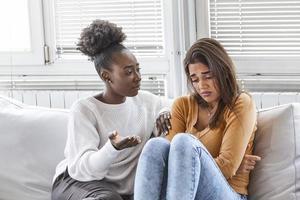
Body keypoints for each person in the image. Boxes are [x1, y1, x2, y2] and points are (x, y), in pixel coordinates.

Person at [51, 20, 172, 200]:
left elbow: (173, 105)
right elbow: (82, 170)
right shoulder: (85, 110)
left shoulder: (147, 102)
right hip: (78, 181)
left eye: (138, 70)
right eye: (128, 72)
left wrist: (165, 112)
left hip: (117, 191)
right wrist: (112, 148)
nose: (138, 77)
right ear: (106, 76)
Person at [134, 38, 261, 200]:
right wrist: (214, 165)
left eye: (208, 76)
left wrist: (197, 164)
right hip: (186, 191)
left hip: (230, 193)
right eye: (195, 79)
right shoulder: (183, 105)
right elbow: (173, 162)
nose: (202, 85)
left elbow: (228, 167)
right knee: (155, 145)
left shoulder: (240, 103)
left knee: (184, 142)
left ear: (223, 72)